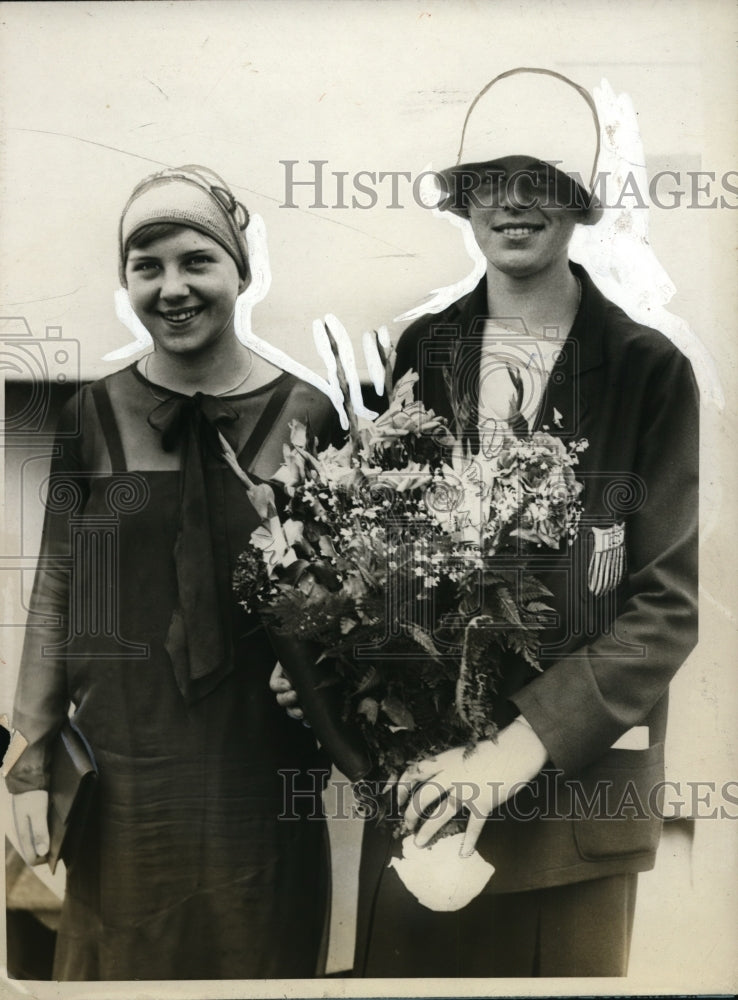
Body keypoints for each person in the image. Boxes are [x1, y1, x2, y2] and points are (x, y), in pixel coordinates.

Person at [275, 68, 699, 978]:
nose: (513, 201)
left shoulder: (646, 370)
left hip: (570, 814)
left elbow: (663, 609)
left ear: (580, 201)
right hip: (424, 795)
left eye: (540, 177)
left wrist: (511, 751)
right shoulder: (422, 350)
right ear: (464, 199)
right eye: (489, 178)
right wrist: (332, 668)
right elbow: (382, 559)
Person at [6, 165, 336, 980]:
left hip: (258, 779)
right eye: (146, 267)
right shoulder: (91, 416)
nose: (172, 287)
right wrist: (26, 762)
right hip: (127, 778)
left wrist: (328, 671)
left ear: (240, 272)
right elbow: (57, 589)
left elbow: (341, 595)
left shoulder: (307, 416)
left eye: (197, 261)